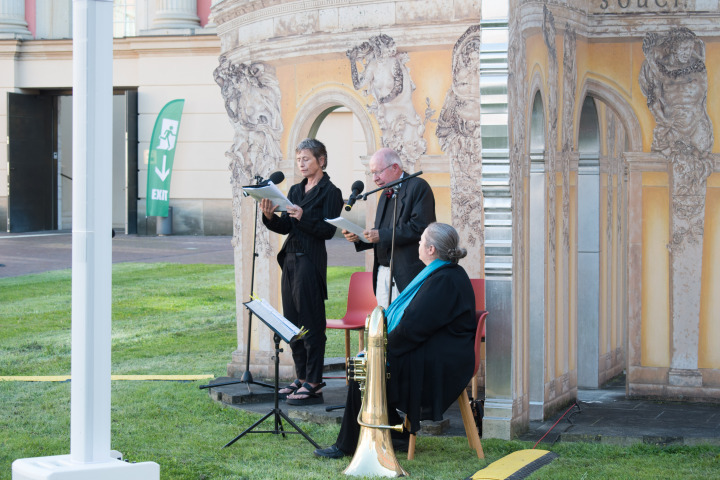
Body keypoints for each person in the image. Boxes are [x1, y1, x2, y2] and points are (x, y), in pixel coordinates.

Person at [315, 222, 477, 458]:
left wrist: (378, 350)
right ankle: (396, 437)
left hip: (440, 362)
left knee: (365, 367)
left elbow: (413, 328)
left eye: (422, 240)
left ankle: (346, 445)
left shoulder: (443, 279)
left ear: (431, 249)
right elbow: (415, 325)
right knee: (369, 363)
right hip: (433, 351)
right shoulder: (443, 273)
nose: (418, 244)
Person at [260, 138, 343, 406]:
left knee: (311, 321)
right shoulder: (295, 190)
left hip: (310, 260)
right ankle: (301, 375)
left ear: (321, 160)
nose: (302, 164)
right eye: (298, 160)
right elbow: (285, 228)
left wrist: (302, 217)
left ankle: (315, 381)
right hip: (290, 259)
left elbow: (327, 231)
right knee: (292, 321)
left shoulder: (332, 191)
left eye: (306, 159)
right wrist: (270, 216)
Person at [342, 147, 435, 307]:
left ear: (395, 167)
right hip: (383, 272)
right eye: (372, 173)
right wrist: (361, 238)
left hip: (408, 273)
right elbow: (382, 231)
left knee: (406, 326)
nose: (375, 178)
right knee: (384, 327)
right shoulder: (385, 193)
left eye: (378, 172)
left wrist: (380, 235)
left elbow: (420, 228)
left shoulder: (418, 187)